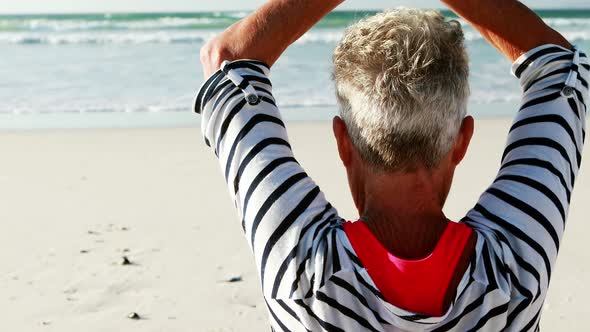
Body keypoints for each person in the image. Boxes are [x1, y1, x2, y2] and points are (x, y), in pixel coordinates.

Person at [195, 0, 588, 330]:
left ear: (342, 142)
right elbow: (562, 70)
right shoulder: (513, 275)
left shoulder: (302, 275)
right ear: (462, 142)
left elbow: (228, 57)